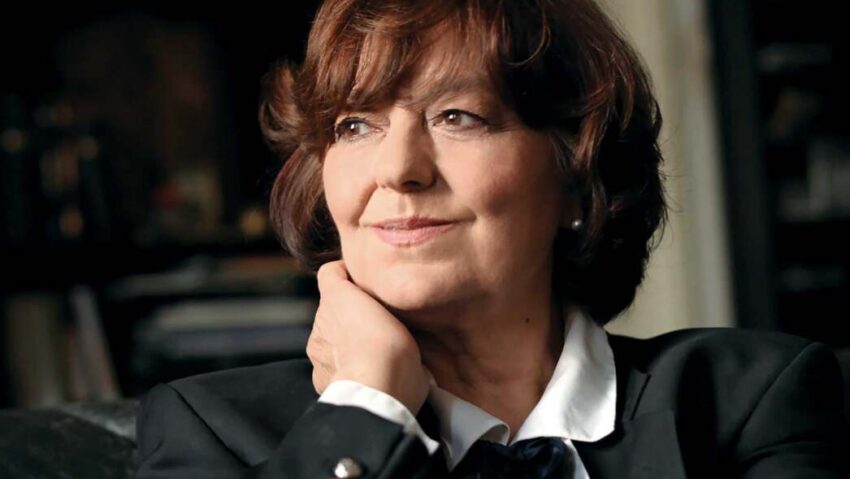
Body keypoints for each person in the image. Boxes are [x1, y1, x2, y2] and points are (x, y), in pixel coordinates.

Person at [134, 0, 850, 477]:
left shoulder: (750, 402)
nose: (398, 169)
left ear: (577, 177)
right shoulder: (209, 430)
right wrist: (366, 407)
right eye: (355, 125)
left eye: (458, 117)